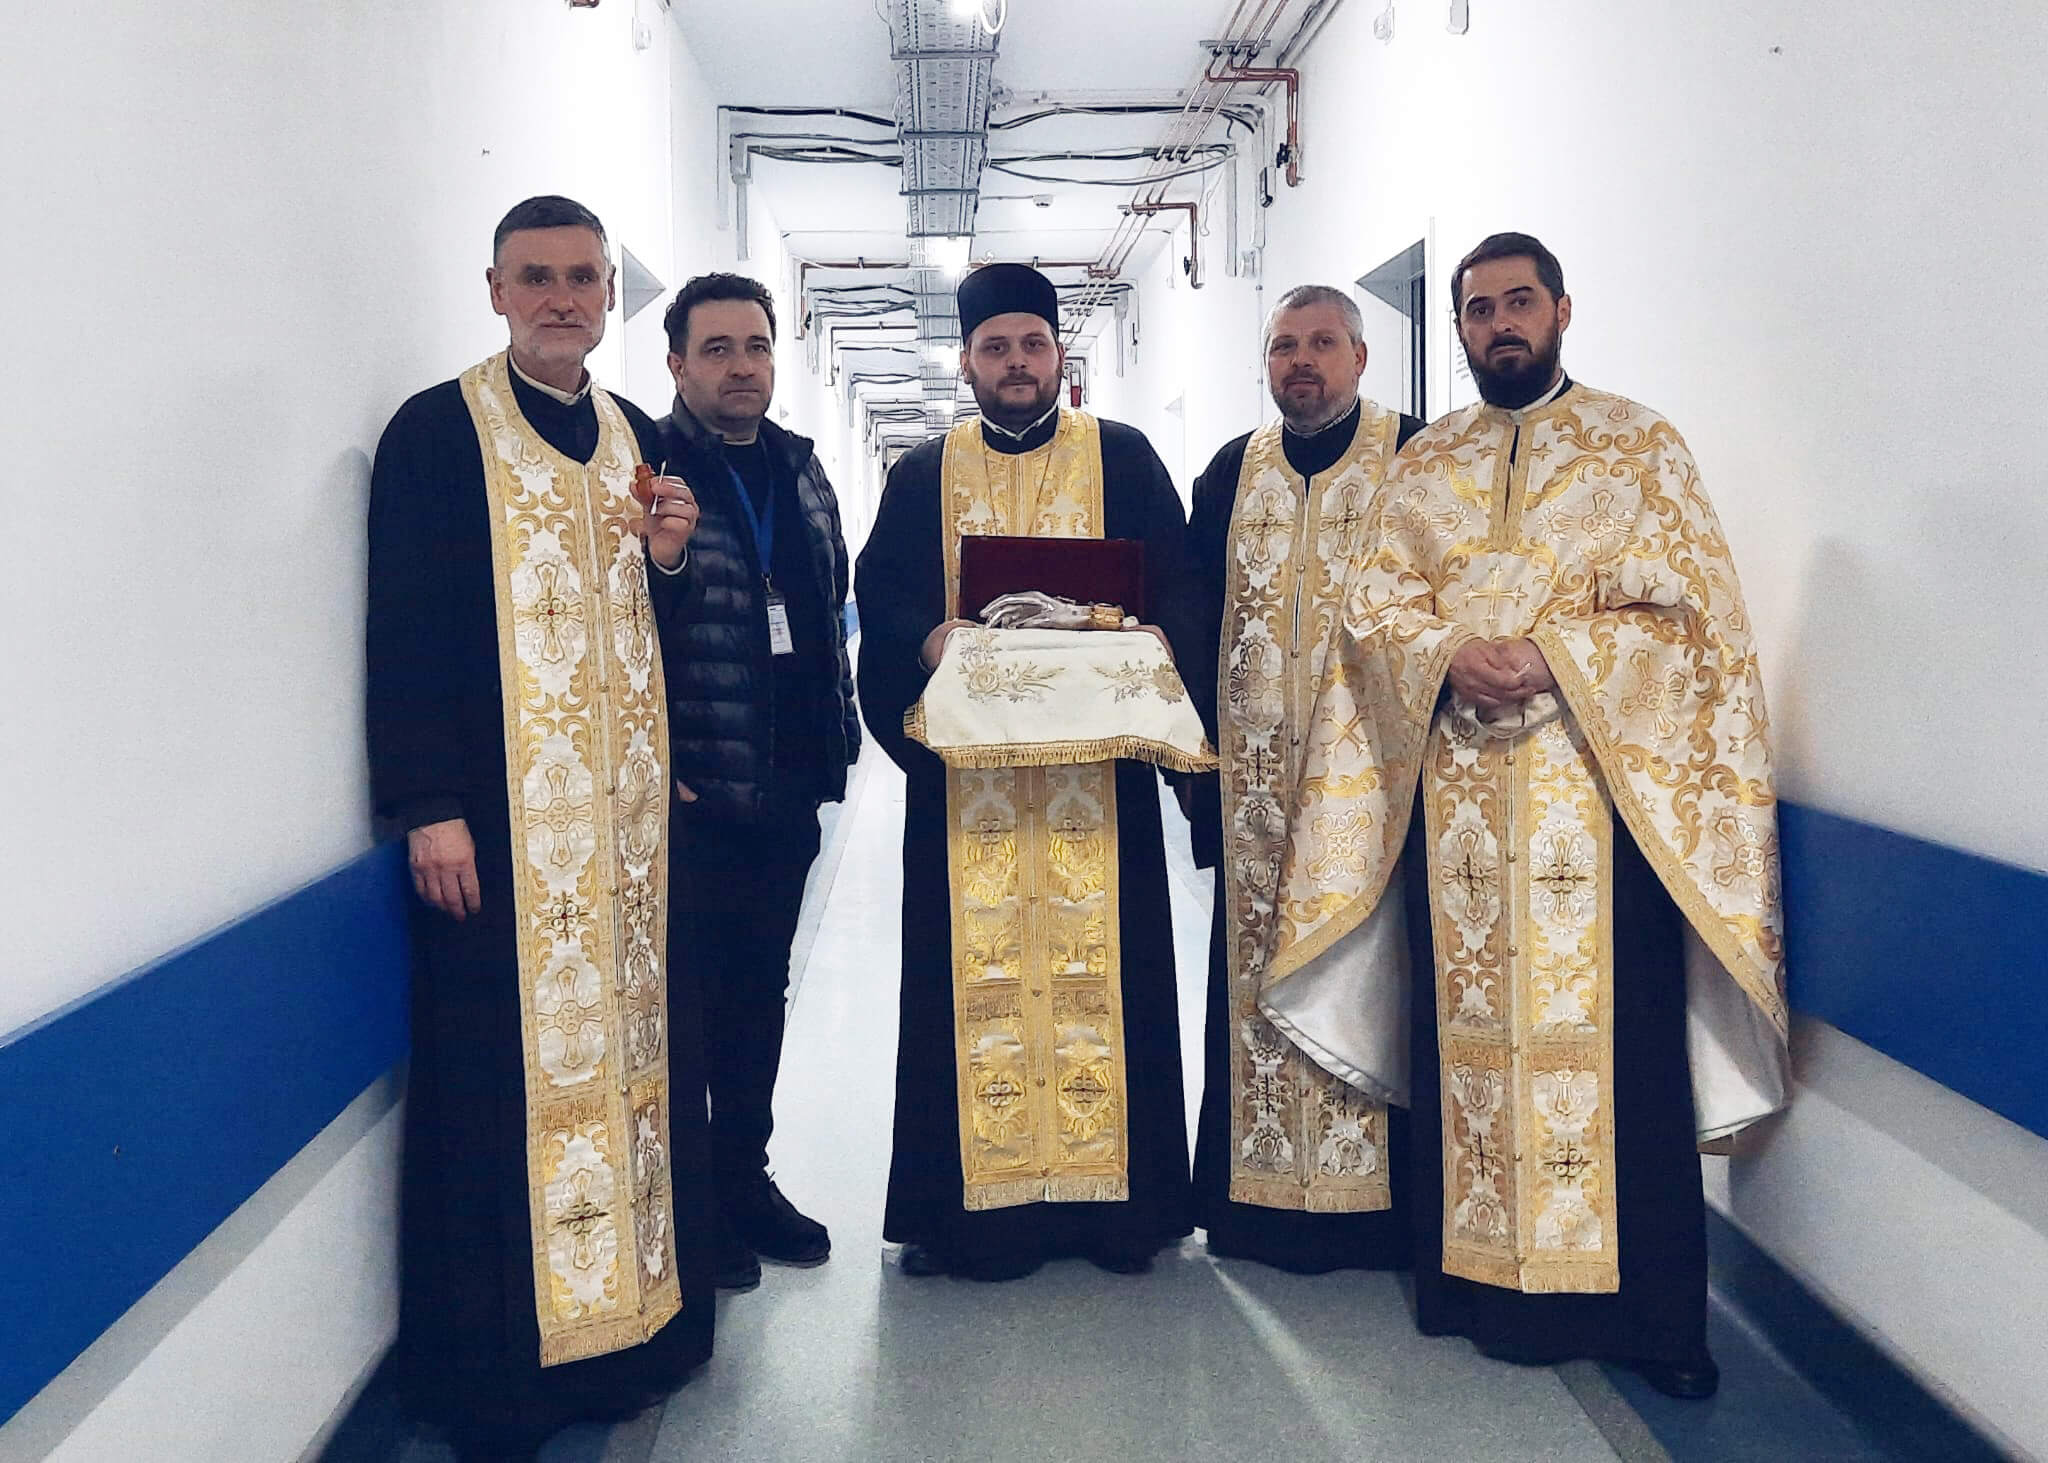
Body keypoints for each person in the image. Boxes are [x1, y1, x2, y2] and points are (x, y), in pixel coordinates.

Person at [1264, 232, 1790, 1399]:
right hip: (1453, 812)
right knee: (1463, 1042)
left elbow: (1688, 619)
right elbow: (1371, 607)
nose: (1498, 324)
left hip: (1598, 817)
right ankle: (1477, 1291)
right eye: (1477, 309)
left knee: (1623, 1059)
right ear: (1455, 326)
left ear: (1559, 309)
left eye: (1517, 303)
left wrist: (1556, 654)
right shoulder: (1427, 459)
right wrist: (1445, 651)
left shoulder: (1638, 445)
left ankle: (1652, 1320)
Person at [365, 195, 712, 1462]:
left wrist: (667, 560)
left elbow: (647, 628)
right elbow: (403, 626)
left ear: (610, 295)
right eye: (536, 276)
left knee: (630, 1076)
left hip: (623, 844)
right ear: (496, 290)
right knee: (498, 1087)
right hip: (500, 837)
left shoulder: (631, 434)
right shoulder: (436, 431)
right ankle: (507, 1365)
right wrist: (428, 804)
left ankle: (630, 1329)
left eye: (581, 277)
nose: (561, 297)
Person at [855, 263, 1199, 1281]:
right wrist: (928, 640)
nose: (1016, 363)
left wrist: (1136, 634)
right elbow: (884, 598)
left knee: (1113, 976)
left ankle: (1120, 1213)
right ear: (966, 361)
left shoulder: (1122, 456)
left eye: (1032, 345)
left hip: (1099, 791)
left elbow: (1182, 585)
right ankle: (970, 1218)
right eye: (995, 347)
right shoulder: (922, 472)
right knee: (965, 991)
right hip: (971, 795)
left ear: (1059, 354)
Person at [1181, 284, 1425, 1275]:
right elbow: (1193, 620)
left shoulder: (1414, 454)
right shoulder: (1228, 471)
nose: (1302, 362)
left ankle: (1378, 1214)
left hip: (1373, 788)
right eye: (1284, 345)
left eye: (1322, 342)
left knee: (1370, 975)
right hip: (1252, 792)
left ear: (1360, 356)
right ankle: (1256, 1205)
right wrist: (1199, 776)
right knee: (1253, 986)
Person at [648, 273, 858, 1293]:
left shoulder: (799, 468)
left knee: (758, 992)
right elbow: (624, 624)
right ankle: (691, 1202)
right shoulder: (648, 469)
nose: (742, 366)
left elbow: (825, 599)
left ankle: (744, 1176)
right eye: (718, 348)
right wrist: (663, 767)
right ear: (677, 362)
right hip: (697, 794)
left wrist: (829, 750)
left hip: (788, 781)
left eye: (757, 346)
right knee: (692, 999)